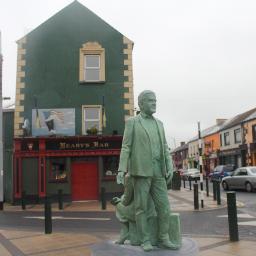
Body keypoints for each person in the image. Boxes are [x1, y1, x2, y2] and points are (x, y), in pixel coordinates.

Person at [117, 90, 177, 252]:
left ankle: (163, 237)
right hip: (141, 171)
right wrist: (122, 170)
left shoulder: (160, 124)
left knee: (164, 207)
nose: (154, 103)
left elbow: (165, 147)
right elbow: (126, 146)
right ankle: (145, 240)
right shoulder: (133, 123)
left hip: (158, 171)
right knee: (141, 208)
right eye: (150, 100)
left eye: (155, 100)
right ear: (141, 103)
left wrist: (170, 165)